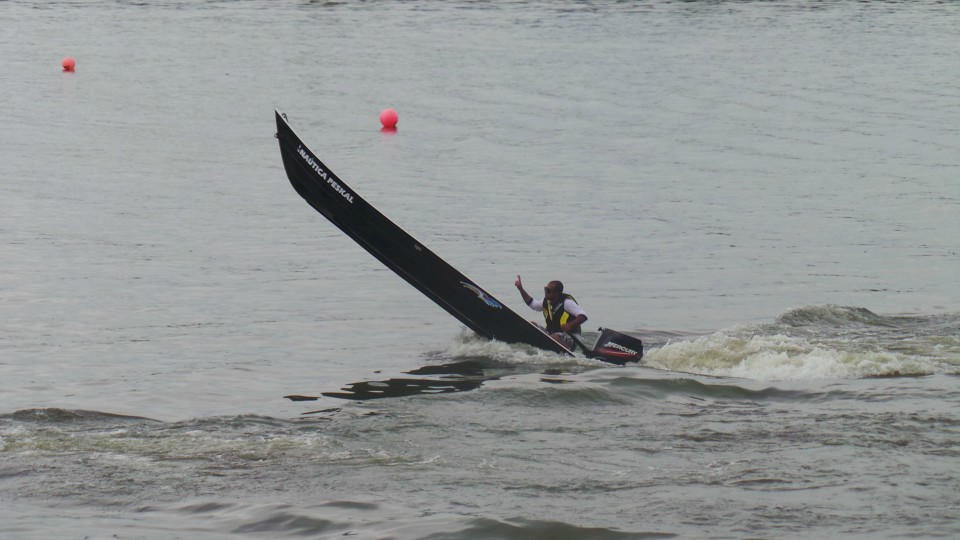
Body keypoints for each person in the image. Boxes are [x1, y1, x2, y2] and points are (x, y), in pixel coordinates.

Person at [514, 275, 588, 351]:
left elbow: (583, 316)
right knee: (532, 325)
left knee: (554, 337)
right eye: (545, 289)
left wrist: (569, 325)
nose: (545, 292)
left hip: (571, 338)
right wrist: (520, 289)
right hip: (552, 334)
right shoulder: (546, 301)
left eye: (548, 291)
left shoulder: (567, 303)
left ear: (556, 293)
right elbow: (532, 304)